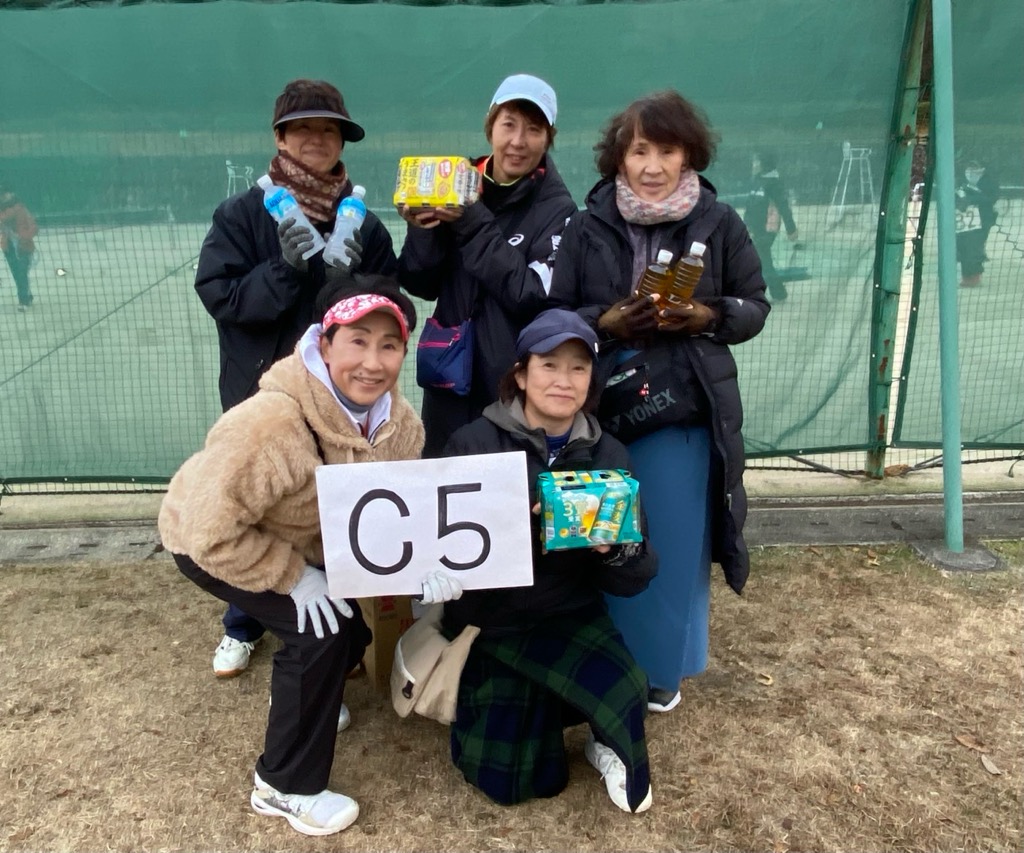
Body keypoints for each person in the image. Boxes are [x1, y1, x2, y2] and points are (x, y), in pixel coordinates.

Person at [159, 276, 439, 836]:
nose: (373, 362)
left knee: (345, 625)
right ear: (325, 344)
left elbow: (395, 514)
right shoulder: (268, 425)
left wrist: (426, 567)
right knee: (321, 634)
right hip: (212, 542)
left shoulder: (401, 425)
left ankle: (309, 699)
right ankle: (282, 785)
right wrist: (293, 578)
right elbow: (209, 530)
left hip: (306, 540)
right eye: (357, 341)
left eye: (389, 345)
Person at [548, 90, 769, 713]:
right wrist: (607, 322)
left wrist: (706, 315)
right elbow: (556, 312)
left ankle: (660, 670)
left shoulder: (719, 223)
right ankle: (598, 659)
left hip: (683, 410)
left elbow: (755, 305)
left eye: (666, 151)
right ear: (618, 157)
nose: (652, 166)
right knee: (598, 533)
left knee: (669, 538)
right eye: (639, 151)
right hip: (598, 408)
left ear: (688, 155)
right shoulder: (586, 224)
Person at [194, 79, 398, 678]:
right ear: (280, 138)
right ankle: (243, 623)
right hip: (261, 396)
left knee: (326, 512)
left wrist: (349, 283)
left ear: (342, 142)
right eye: (303, 128)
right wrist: (283, 269)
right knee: (258, 507)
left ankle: (333, 633)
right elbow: (222, 296)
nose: (317, 139)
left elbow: (388, 307)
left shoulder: (363, 224)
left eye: (329, 130)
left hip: (341, 402)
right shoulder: (240, 214)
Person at [440, 308, 657, 813]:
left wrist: (613, 548)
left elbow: (638, 574)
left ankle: (603, 742)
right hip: (491, 619)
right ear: (521, 375)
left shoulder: (608, 455)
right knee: (510, 777)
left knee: (627, 689)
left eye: (579, 368)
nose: (564, 380)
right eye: (549, 365)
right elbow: (437, 540)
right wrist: (437, 575)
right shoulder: (472, 443)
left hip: (568, 611)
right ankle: (535, 704)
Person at [398, 73, 578, 457]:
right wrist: (423, 230)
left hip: (513, 388)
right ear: (490, 126)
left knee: (508, 490)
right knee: (444, 482)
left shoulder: (558, 208)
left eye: (533, 129)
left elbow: (531, 294)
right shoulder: (455, 181)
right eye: (508, 125)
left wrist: (471, 218)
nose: (518, 141)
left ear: (549, 138)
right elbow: (420, 282)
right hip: (448, 380)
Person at [743, 151, 799, 303]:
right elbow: (750, 205)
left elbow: (783, 207)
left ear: (764, 164)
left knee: (762, 259)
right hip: (754, 228)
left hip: (768, 228)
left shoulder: (774, 183)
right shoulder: (756, 181)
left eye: (756, 161)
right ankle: (778, 293)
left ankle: (774, 294)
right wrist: (746, 225)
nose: (753, 165)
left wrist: (791, 229)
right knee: (762, 259)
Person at [955, 159, 999, 287]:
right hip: (965, 221)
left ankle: (974, 276)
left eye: (974, 166)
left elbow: (992, 198)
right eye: (969, 166)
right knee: (963, 246)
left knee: (975, 247)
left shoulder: (989, 181)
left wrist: (971, 199)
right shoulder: (961, 180)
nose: (970, 169)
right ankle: (966, 276)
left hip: (983, 220)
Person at [0, 186, 38, 311]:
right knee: (17, 273)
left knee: (21, 272)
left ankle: (23, 301)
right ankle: (27, 295)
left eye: (4, 194)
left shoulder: (21, 209)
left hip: (23, 245)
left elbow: (34, 227)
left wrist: (24, 237)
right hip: (8, 246)